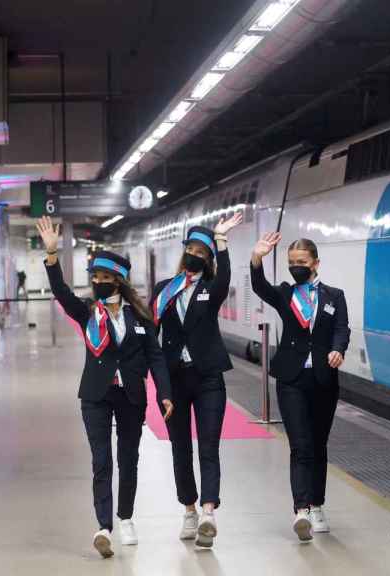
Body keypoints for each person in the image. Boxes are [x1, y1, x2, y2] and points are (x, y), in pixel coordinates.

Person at [36, 216, 174, 559]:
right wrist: (52, 256)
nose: (98, 282)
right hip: (95, 394)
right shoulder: (86, 312)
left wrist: (165, 392)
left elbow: (156, 357)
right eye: (95, 277)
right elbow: (61, 292)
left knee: (129, 458)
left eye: (105, 278)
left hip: (131, 395)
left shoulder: (140, 316)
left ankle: (126, 517)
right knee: (102, 460)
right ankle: (104, 526)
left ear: (119, 281)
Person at [249, 232, 350, 542]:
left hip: (323, 379)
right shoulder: (284, 294)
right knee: (301, 445)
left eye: (302, 263)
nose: (296, 268)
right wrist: (257, 258)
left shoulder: (334, 296)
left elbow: (341, 328)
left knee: (319, 446)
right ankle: (301, 509)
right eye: (292, 263)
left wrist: (338, 349)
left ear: (316, 263)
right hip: (291, 379)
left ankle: (317, 506)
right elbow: (259, 286)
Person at [151, 213, 242, 548]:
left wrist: (222, 241)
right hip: (175, 381)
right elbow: (152, 342)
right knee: (180, 448)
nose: (196, 255)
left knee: (209, 445)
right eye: (192, 249)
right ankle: (188, 508)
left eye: (203, 253)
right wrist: (161, 388)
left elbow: (226, 275)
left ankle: (208, 512)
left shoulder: (211, 290)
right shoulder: (164, 291)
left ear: (209, 259)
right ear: (183, 250)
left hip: (208, 379)